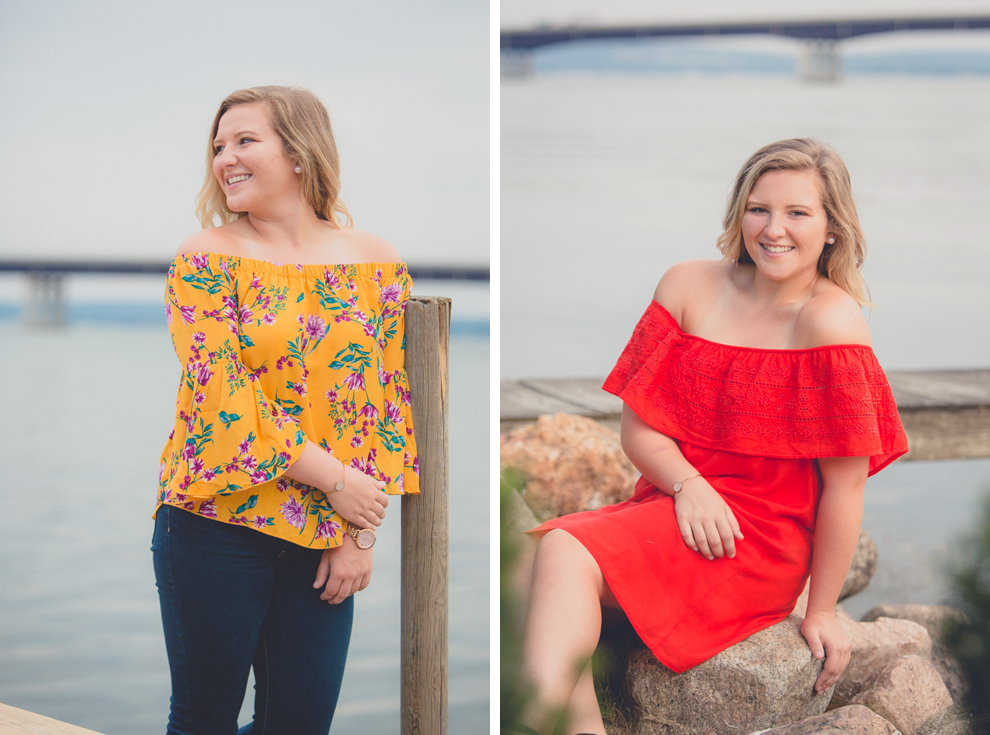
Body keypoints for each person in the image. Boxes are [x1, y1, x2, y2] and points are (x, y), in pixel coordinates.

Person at [514, 138, 908, 735]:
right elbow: (638, 427)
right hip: (678, 504)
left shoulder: (831, 321)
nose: (774, 229)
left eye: (798, 213)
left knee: (563, 554)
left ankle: (529, 721)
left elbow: (846, 488)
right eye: (759, 209)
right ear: (738, 213)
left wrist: (822, 609)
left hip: (755, 538)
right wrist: (688, 485)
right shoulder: (686, 285)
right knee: (526, 567)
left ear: (832, 229)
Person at [152, 85, 419, 735]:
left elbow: (384, 405)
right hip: (215, 523)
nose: (225, 159)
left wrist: (359, 534)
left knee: (298, 726)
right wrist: (337, 481)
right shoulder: (206, 255)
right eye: (218, 146)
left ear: (299, 152)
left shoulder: (376, 261)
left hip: (323, 536)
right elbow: (224, 400)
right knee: (203, 722)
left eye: (245, 141)